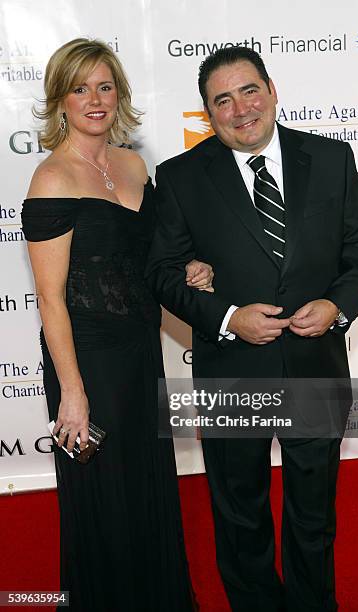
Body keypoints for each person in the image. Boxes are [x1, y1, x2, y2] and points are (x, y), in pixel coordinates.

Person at [146, 47, 358, 611]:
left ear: (273, 89)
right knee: (241, 518)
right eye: (222, 100)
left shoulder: (330, 157)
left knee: (313, 518)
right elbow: (161, 272)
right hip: (233, 371)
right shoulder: (181, 177)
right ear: (208, 113)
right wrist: (228, 318)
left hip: (314, 367)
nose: (240, 108)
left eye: (249, 90)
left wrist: (336, 305)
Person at [21, 37, 214, 611]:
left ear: (120, 94)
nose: (94, 99)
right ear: (60, 100)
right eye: (80, 88)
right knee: (105, 498)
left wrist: (189, 269)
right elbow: (51, 301)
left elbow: (151, 258)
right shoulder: (51, 179)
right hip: (88, 362)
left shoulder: (133, 164)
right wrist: (73, 395)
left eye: (105, 86)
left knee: (147, 487)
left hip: (139, 353)